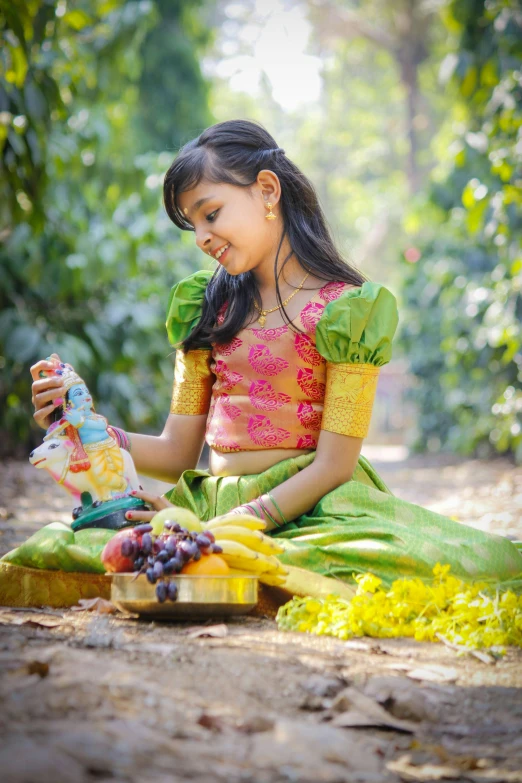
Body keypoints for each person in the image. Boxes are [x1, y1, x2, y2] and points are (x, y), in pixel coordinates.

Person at [3, 119, 522, 606]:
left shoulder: (349, 313)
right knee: (58, 551)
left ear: (268, 191)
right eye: (193, 225)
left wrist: (235, 526)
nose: (203, 237)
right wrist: (90, 430)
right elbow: (178, 450)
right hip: (210, 507)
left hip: (315, 511)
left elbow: (334, 465)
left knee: (430, 569)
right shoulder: (204, 309)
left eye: (211, 213)